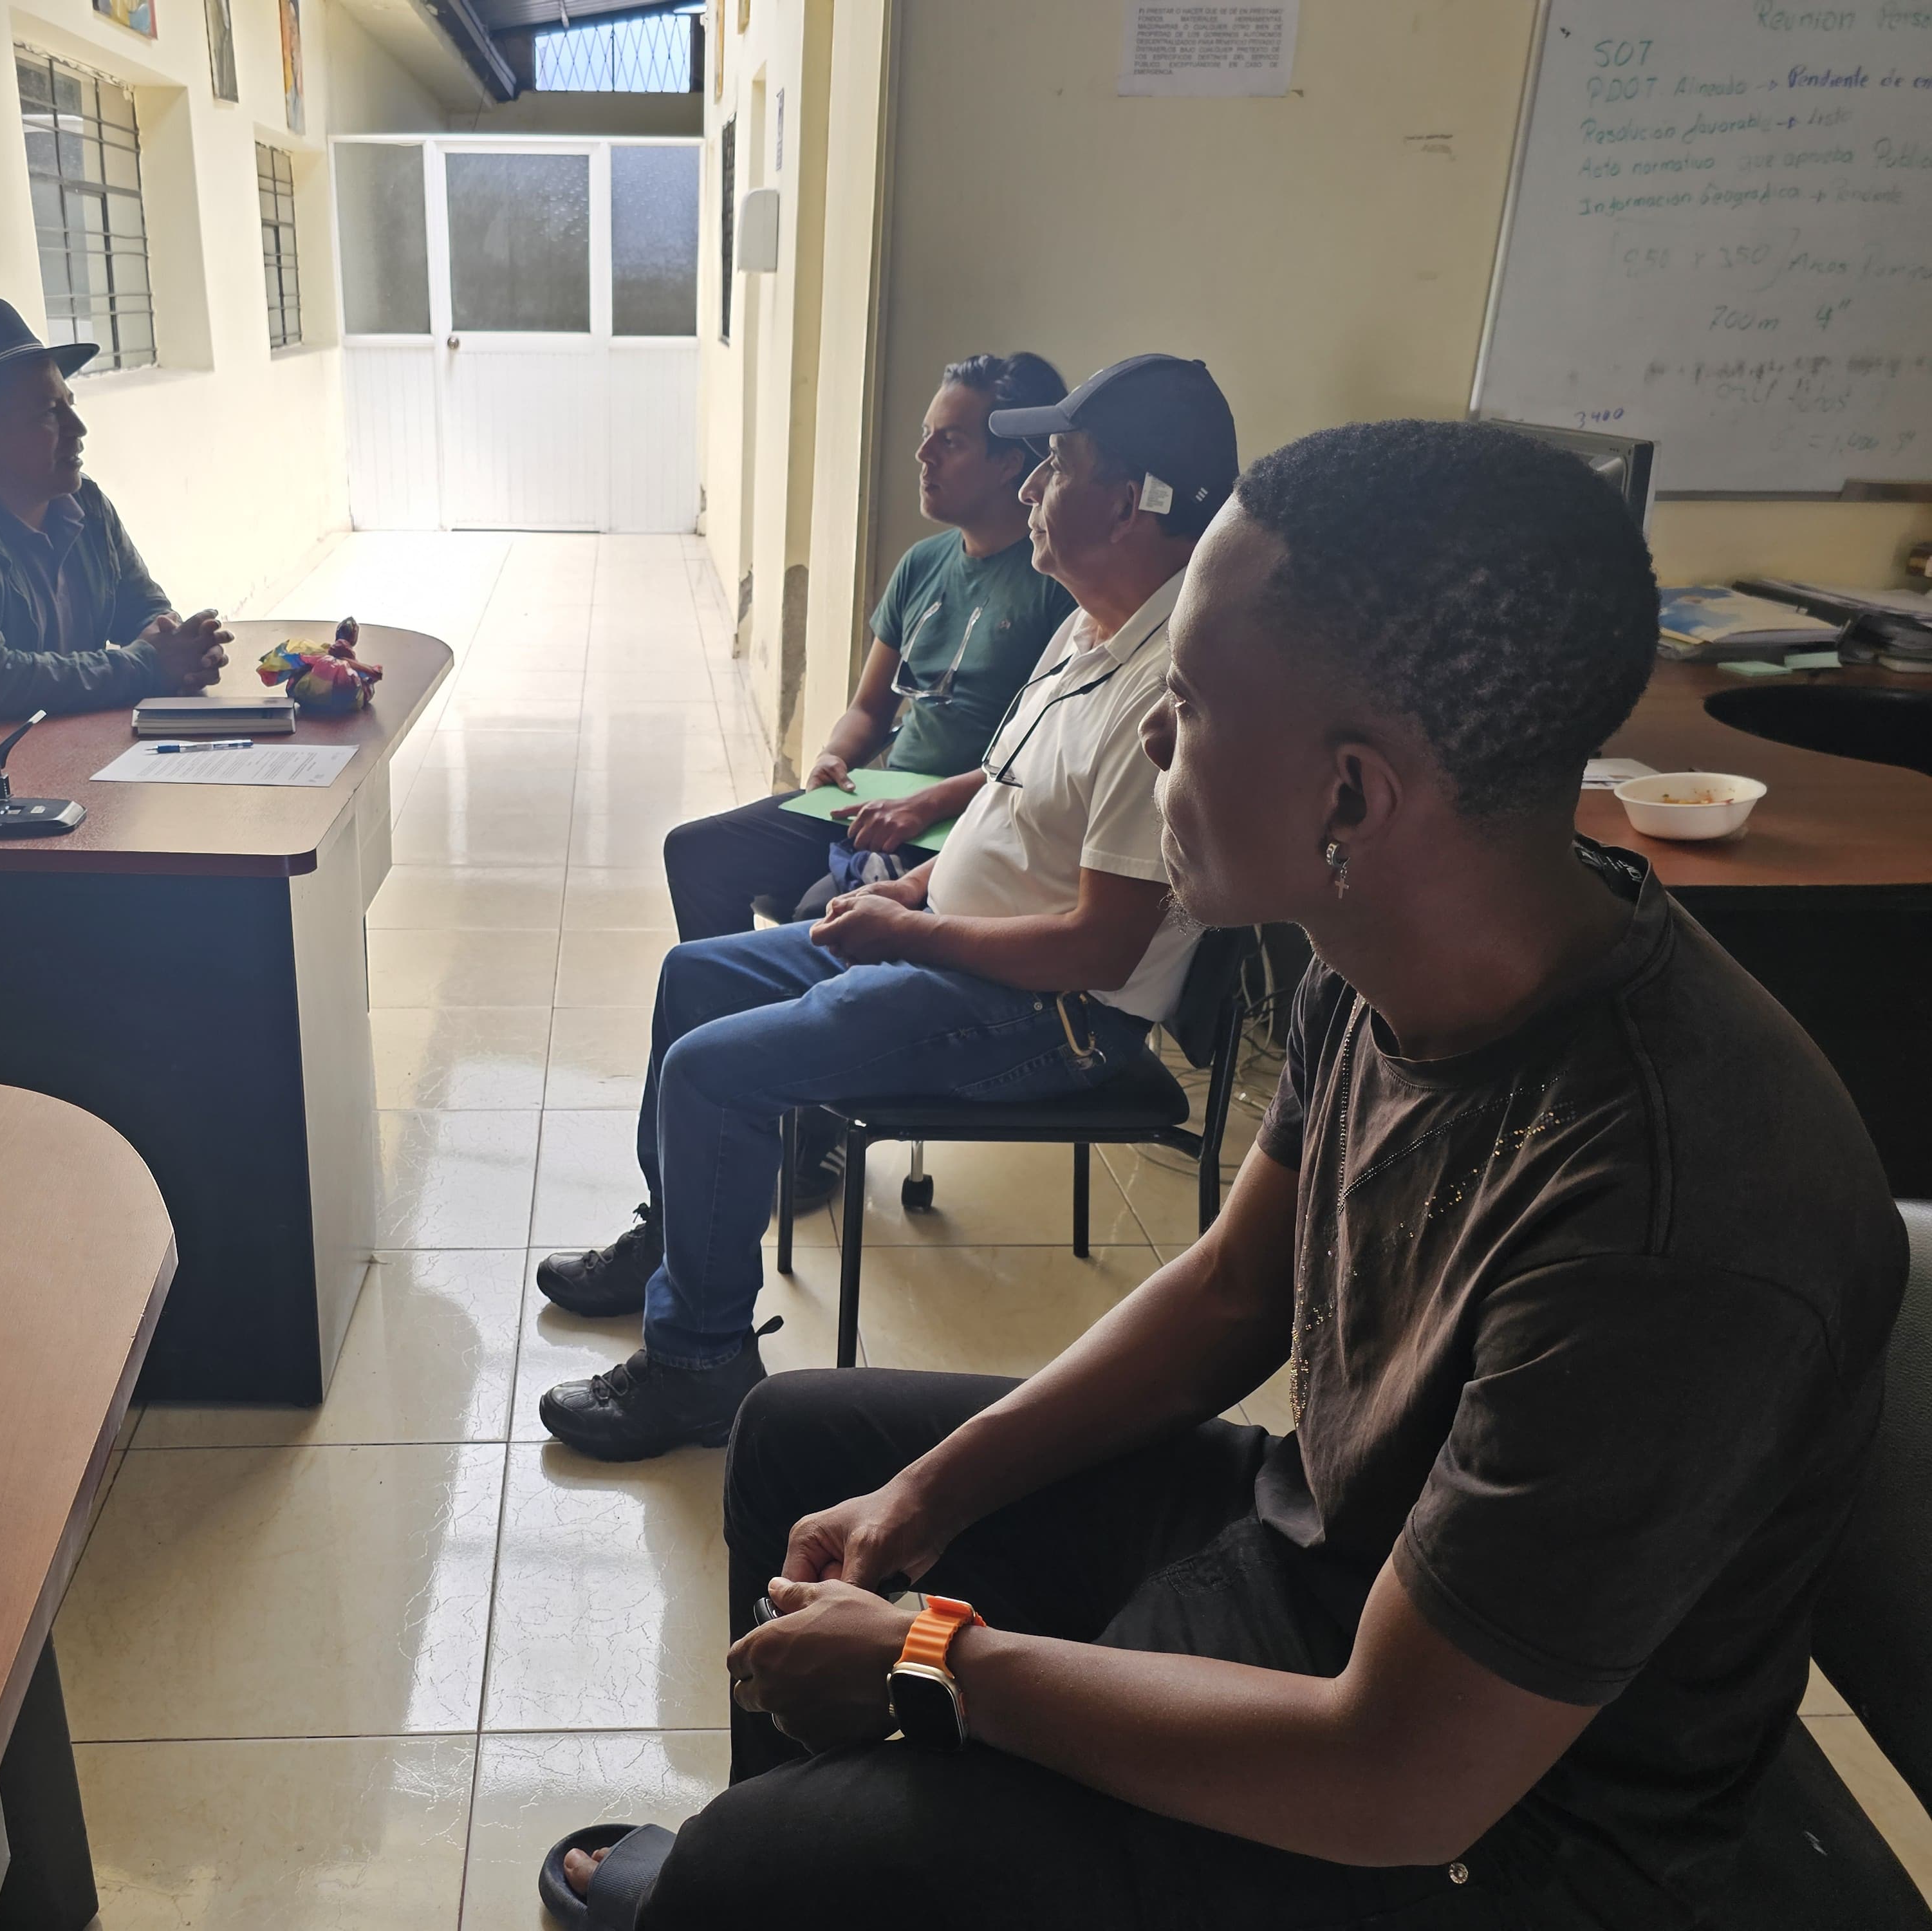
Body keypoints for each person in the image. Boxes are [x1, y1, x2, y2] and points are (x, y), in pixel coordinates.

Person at [537, 419, 1908, 1931]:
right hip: (1325, 1562)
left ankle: (767, 1872)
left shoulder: (1667, 1218)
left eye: (1186, 707)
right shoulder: (1386, 959)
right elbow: (1231, 1289)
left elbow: (1399, 1778)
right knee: (810, 1451)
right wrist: (928, 1495)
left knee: (769, 1861)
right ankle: (801, 1852)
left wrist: (933, 1662)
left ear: (1348, 799)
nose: (1150, 746)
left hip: (1500, 1828)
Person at [533, 356, 1240, 1464]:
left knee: (711, 1072)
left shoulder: (1170, 690)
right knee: (694, 977)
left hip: (1050, 1017)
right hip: (961, 952)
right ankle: (679, 1243)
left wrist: (910, 929)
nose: (1031, 486)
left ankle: (699, 1364)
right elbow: (1007, 798)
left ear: (1134, 502)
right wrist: (911, 886)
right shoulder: (1089, 631)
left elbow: (1101, 947)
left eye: (1058, 465)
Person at [661, 353, 1077, 945]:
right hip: (881, 804)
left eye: (950, 442)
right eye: (926, 434)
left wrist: (928, 804)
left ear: (1010, 463)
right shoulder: (923, 564)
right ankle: (718, 998)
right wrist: (835, 756)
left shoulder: (1056, 586)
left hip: (968, 821)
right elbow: (869, 708)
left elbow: (1040, 763)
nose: (924, 455)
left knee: (820, 924)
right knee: (697, 853)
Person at [0, 298, 230, 774]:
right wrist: (150, 665)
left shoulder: (84, 504)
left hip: (45, 762)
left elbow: (143, 608)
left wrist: (182, 646)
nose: (78, 428)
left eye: (70, 404)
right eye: (48, 414)